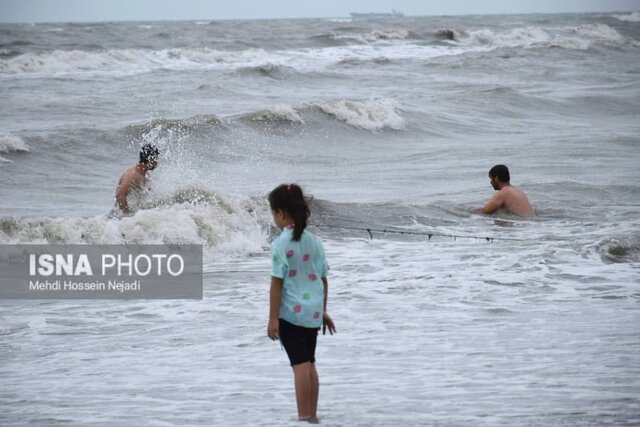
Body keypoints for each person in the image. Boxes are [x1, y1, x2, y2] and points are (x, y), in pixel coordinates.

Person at [267, 183, 336, 424]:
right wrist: (323, 310)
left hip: (291, 315)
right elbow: (323, 280)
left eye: (273, 212)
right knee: (310, 363)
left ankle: (303, 416)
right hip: (312, 313)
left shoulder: (280, 244)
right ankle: (312, 415)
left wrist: (273, 318)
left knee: (300, 366)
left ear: (281, 213)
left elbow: (276, 284)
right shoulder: (315, 242)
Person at [113, 144, 159, 215]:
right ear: (151, 159)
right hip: (118, 216)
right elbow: (120, 195)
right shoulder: (133, 175)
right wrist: (127, 214)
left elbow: (148, 194)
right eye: (156, 159)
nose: (157, 162)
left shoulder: (145, 174)